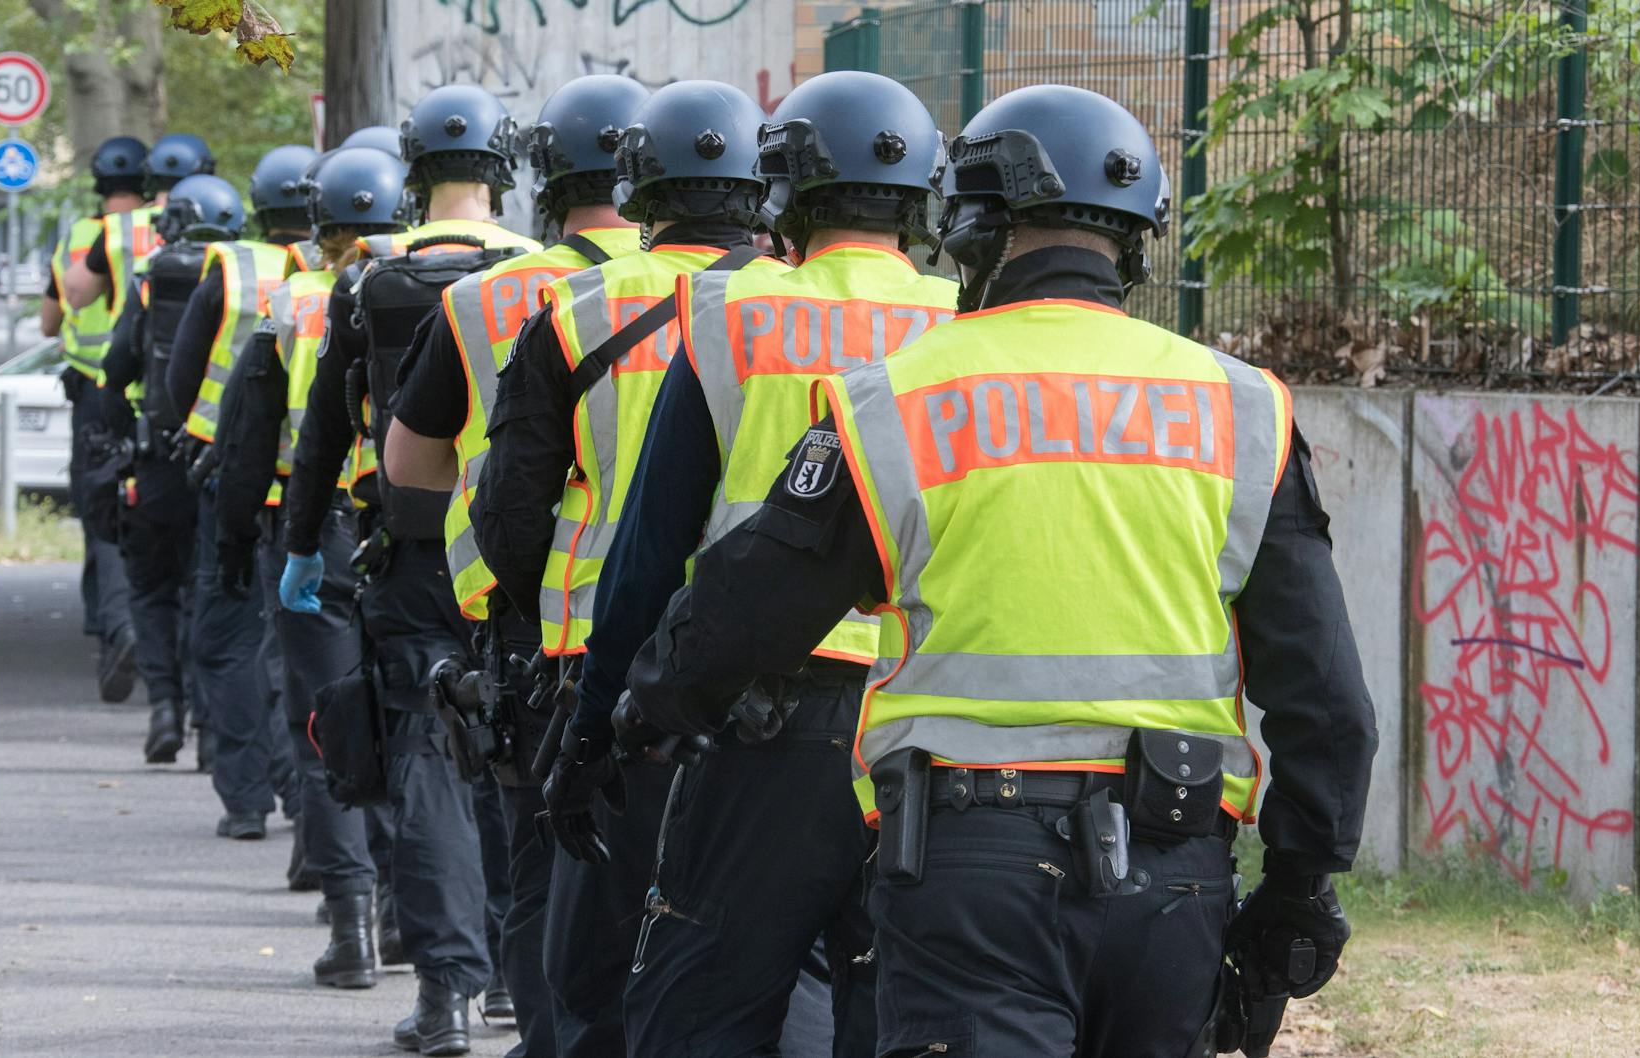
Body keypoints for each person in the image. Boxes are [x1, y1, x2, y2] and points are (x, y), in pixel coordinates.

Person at [607, 84, 1379, 1058]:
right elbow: (1328, 700)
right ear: (1137, 241)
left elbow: (747, 608)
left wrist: (640, 712)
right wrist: (1299, 882)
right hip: (1174, 879)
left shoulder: (894, 399)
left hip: (969, 876)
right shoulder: (1243, 409)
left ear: (971, 227)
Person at [561, 71, 959, 1058]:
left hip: (762, 725)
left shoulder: (730, 313)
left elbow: (650, 551)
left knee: (701, 1008)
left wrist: (594, 728)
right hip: (932, 729)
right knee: (897, 1013)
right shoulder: (965, 323)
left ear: (779, 191)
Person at [469, 79, 769, 1058]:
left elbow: (511, 506)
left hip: (600, 658)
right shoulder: (812, 312)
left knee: (581, 937)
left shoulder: (572, 308)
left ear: (638, 189)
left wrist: (528, 611)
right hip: (807, 673)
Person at [378, 74, 652, 1058]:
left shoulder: (489, 299)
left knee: (547, 871)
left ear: (544, 173)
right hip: (722, 628)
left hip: (542, 626)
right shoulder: (747, 295)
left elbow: (406, 466)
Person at [275, 84, 539, 1057]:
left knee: (428, 768)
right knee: (512, 757)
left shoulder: (368, 279)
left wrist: (303, 546)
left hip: (409, 556)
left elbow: (323, 432)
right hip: (518, 559)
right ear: (504, 166)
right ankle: (521, 977)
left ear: (410, 170)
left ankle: (447, 996)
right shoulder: (548, 275)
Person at [215, 145, 404, 989]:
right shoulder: (433, 290)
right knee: (412, 722)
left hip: (311, 529)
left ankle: (350, 925)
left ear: (318, 225)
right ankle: (412, 911)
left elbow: (249, 437)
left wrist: (231, 541)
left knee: (325, 727)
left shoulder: (289, 302)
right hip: (407, 529)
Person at [162, 144, 319, 839]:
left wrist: (202, 435)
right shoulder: (347, 266)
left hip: (233, 486)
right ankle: (306, 796)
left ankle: (247, 801)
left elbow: (179, 380)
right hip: (325, 491)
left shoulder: (232, 268)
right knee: (304, 650)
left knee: (227, 642)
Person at [99, 172, 245, 771]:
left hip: (157, 462)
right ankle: (212, 729)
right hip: (217, 465)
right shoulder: (244, 281)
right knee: (205, 593)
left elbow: (115, 367)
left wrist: (119, 433)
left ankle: (163, 709)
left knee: (151, 589)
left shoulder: (150, 279)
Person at [42, 134, 146, 704]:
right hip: (168, 396)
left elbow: (54, 316)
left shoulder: (86, 236)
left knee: (103, 513)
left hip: (98, 393)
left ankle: (115, 628)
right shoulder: (178, 224)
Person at [63, 132, 215, 314]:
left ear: (148, 176)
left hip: (130, 340)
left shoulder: (119, 228)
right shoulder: (217, 229)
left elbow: (75, 296)